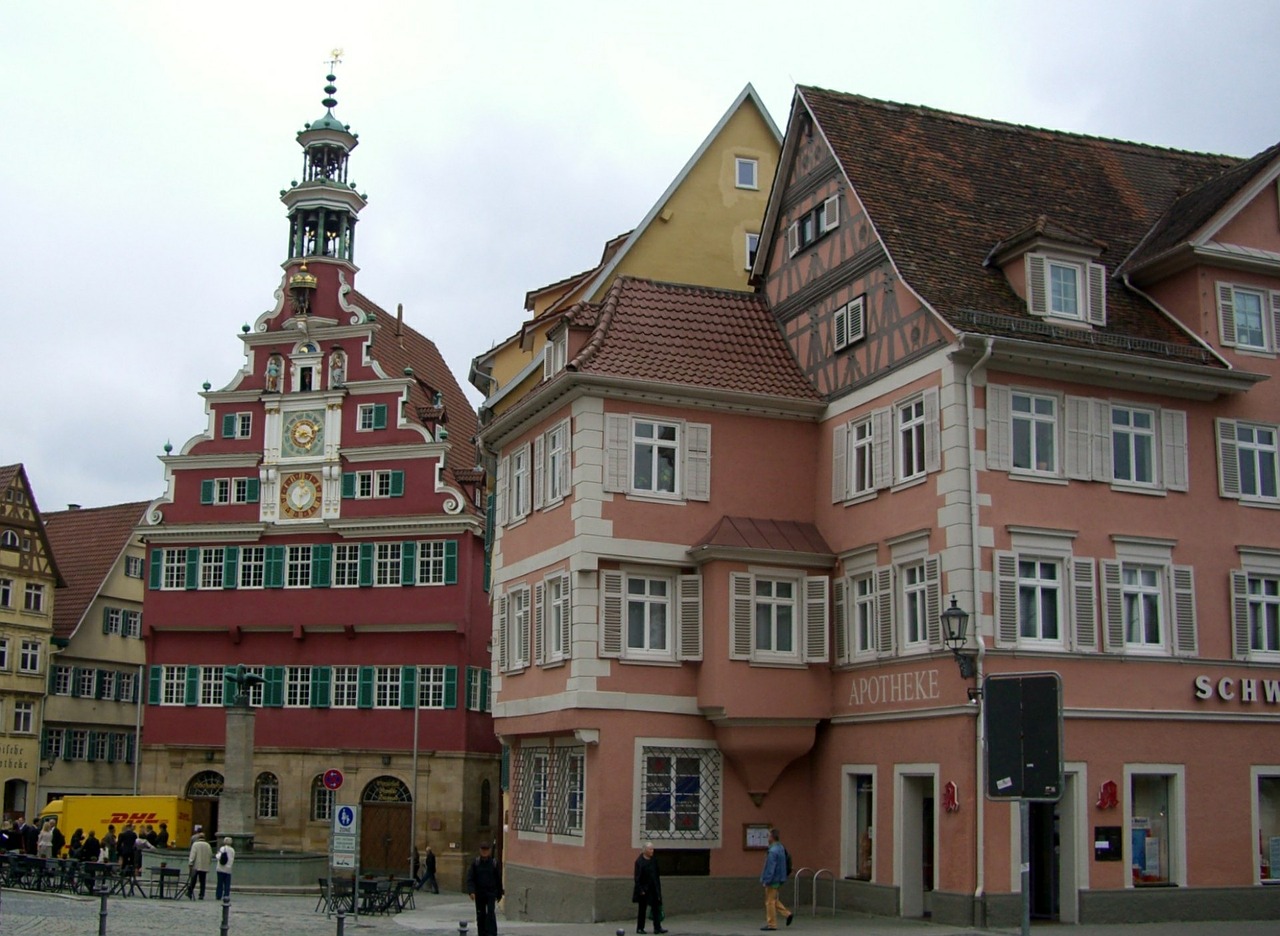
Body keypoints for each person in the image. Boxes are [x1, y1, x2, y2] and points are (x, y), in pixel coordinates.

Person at [465, 840, 503, 936]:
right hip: (480, 892)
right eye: (483, 849)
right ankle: (481, 933)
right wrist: (471, 891)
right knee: (480, 914)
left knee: (491, 913)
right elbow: (470, 878)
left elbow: (498, 878)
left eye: (486, 849)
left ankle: (492, 933)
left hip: (490, 892)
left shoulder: (494, 863)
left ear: (489, 851)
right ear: (480, 850)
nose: (484, 852)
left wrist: (499, 893)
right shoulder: (476, 863)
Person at [759, 828, 793, 931]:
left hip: (773, 879)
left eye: (768, 836)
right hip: (779, 878)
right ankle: (787, 914)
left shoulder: (772, 851)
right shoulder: (781, 848)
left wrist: (766, 880)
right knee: (773, 899)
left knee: (769, 902)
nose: (767, 838)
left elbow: (770, 868)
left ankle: (772, 924)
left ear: (772, 837)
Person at [633, 842, 667, 934]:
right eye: (650, 849)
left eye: (652, 849)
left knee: (656, 908)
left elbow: (656, 874)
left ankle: (657, 927)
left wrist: (657, 888)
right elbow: (637, 877)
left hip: (653, 888)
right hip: (644, 889)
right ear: (645, 850)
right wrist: (640, 890)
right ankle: (640, 928)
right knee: (642, 909)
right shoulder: (639, 862)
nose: (652, 851)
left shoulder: (654, 860)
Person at [186, 828, 213, 899]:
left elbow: (193, 854)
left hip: (196, 865)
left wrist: (190, 863)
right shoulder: (208, 845)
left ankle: (190, 892)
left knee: (193, 880)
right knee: (203, 881)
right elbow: (210, 855)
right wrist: (208, 863)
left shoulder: (195, 844)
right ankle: (201, 894)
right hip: (204, 866)